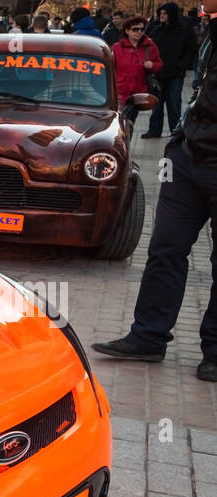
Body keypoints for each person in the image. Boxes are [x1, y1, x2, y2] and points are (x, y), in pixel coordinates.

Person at [95, 0, 217, 379]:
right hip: (187, 160)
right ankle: (148, 336)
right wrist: (179, 141)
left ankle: (214, 351)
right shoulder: (208, 32)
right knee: (165, 248)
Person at [144, 3, 199, 137]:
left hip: (175, 73)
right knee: (156, 104)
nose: (162, 16)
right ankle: (154, 130)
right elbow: (147, 47)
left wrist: (182, 65)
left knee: (174, 103)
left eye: (165, 14)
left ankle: (176, 132)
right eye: (161, 13)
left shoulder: (184, 30)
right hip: (158, 73)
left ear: (171, 15)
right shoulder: (156, 30)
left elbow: (192, 49)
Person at [114, 16, 161, 127]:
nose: (139, 32)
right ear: (127, 30)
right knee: (119, 123)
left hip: (138, 94)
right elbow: (110, 68)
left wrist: (152, 65)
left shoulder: (150, 46)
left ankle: (127, 141)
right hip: (119, 93)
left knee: (129, 123)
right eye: (135, 29)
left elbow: (159, 64)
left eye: (142, 29)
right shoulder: (117, 47)